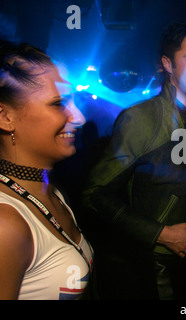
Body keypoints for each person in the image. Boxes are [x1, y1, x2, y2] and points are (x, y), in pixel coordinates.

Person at [82, 22, 186, 299]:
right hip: (158, 266)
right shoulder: (141, 119)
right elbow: (95, 194)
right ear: (168, 64)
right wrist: (159, 233)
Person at [0, 41, 92, 299]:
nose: (80, 117)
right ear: (5, 117)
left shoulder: (51, 192)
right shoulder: (5, 223)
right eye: (58, 103)